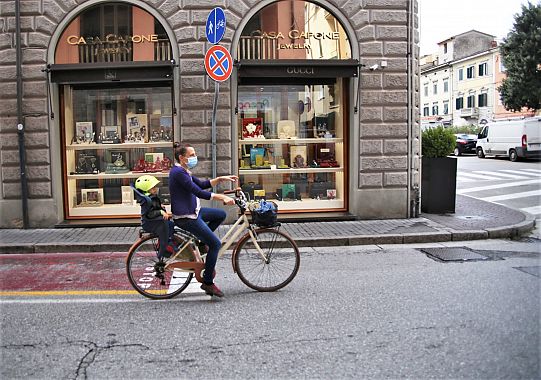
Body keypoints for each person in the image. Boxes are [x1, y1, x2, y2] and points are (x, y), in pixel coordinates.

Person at [169, 143, 237, 297]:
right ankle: (208, 283)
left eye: (194, 154)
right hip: (187, 217)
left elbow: (202, 184)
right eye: (191, 155)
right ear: (182, 158)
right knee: (215, 244)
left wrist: (219, 179)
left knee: (220, 215)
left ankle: (200, 243)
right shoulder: (178, 173)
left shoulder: (184, 171)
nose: (194, 157)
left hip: (195, 212)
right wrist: (221, 197)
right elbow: (197, 191)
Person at [134, 174, 176, 259]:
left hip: (154, 221)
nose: (155, 189)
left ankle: (168, 240)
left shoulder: (151, 197)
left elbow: (154, 207)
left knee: (171, 225)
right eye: (153, 188)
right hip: (152, 223)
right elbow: (150, 213)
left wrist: (160, 206)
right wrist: (160, 211)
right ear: (147, 190)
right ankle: (166, 245)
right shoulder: (148, 200)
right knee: (168, 226)